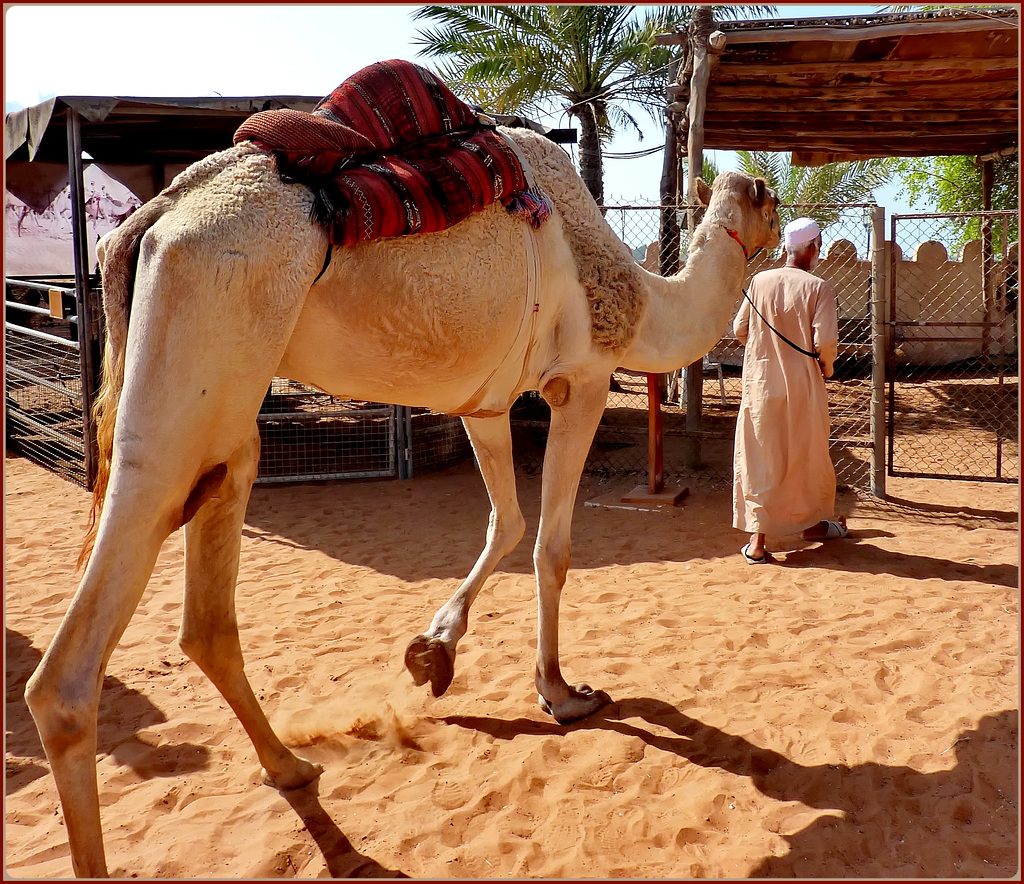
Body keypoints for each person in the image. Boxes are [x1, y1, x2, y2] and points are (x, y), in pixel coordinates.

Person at [732, 217, 848, 564]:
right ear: (812, 248)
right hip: (804, 388)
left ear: (786, 247)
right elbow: (825, 341)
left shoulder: (758, 281)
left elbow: (741, 329)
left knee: (761, 457)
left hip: (760, 386)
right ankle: (813, 526)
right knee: (807, 456)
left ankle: (757, 542)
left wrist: (762, 354)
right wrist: (825, 368)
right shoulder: (818, 287)